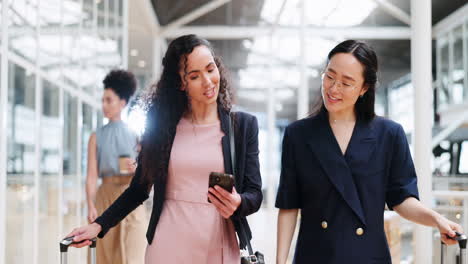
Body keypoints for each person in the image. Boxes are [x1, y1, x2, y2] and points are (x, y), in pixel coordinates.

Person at [67, 34, 263, 264]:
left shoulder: (243, 126)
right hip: (168, 243)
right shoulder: (163, 129)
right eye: (194, 76)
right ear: (181, 83)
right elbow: (139, 189)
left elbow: (255, 193)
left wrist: (238, 202)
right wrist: (98, 225)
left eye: (211, 69)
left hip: (218, 244)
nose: (208, 81)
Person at [275, 40, 462, 263]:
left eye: (346, 83)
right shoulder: (298, 134)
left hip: (368, 256)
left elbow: (402, 199)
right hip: (315, 255)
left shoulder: (389, 134)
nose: (333, 89)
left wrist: (436, 219)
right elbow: (288, 205)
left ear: (364, 88)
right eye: (330, 76)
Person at [86, 69, 146, 264]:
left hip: (131, 197)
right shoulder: (96, 136)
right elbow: (92, 175)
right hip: (105, 197)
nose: (104, 104)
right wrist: (90, 204)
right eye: (103, 100)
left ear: (122, 102)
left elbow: (147, 171)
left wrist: (136, 167)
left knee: (132, 254)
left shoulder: (137, 136)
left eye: (109, 100)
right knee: (105, 255)